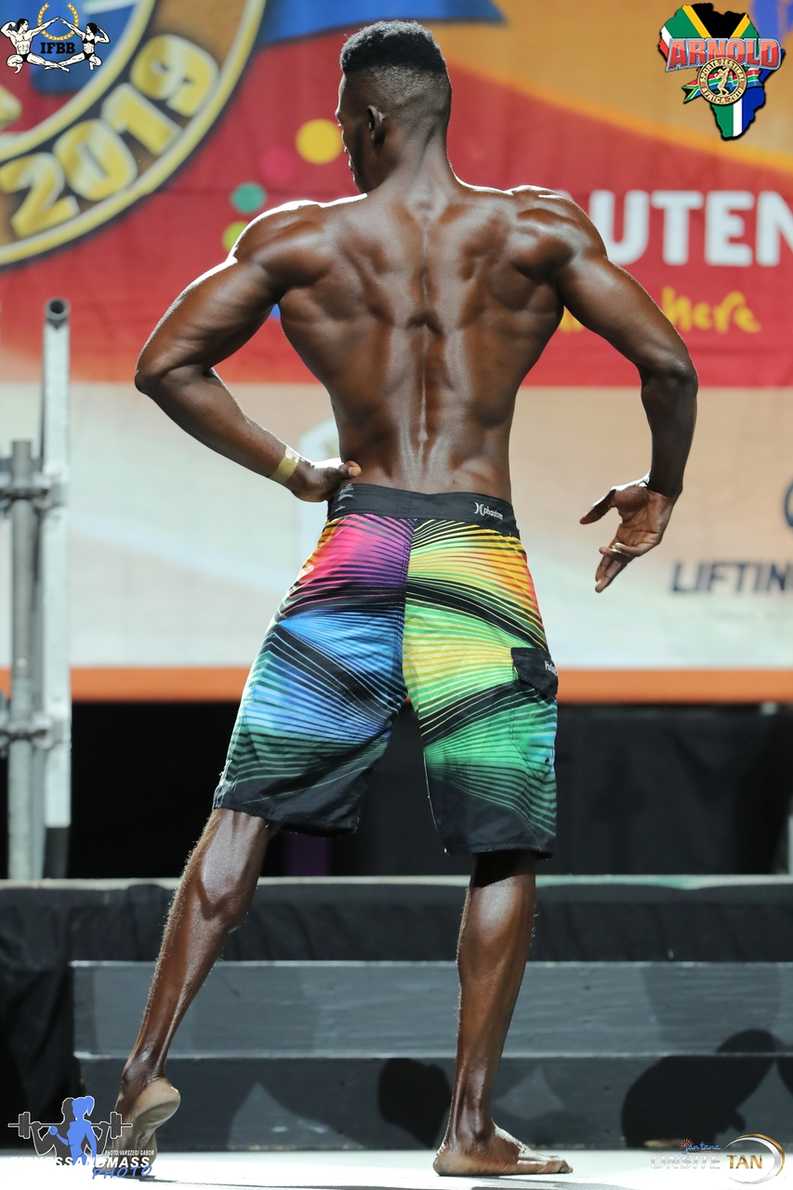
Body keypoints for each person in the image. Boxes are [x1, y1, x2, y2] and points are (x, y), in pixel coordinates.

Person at [112, 19, 697, 1178]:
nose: (338, 139)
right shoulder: (535, 229)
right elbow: (668, 363)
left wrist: (294, 468)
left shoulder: (300, 238)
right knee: (500, 841)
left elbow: (165, 362)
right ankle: (468, 1126)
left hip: (361, 543)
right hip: (472, 553)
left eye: (343, 121)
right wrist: (660, 489)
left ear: (373, 119)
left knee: (244, 811)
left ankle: (137, 1081)